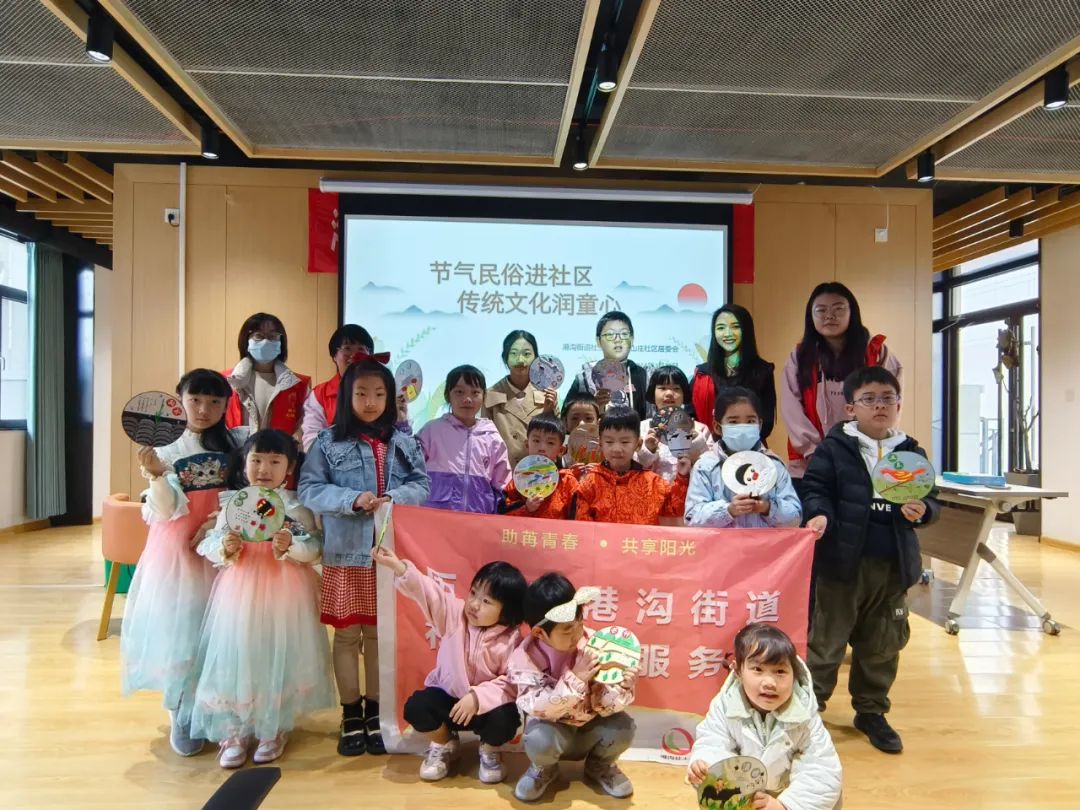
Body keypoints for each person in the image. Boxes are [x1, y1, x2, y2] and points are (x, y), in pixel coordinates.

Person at [801, 366, 939, 754]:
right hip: (840, 564)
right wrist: (819, 513)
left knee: (882, 645)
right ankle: (809, 711)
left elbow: (931, 499)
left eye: (887, 398)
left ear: (898, 405)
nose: (880, 405)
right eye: (869, 399)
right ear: (850, 408)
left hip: (892, 566)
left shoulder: (911, 452)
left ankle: (871, 711)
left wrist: (923, 511)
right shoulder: (834, 448)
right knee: (825, 643)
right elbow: (815, 489)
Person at [299, 357, 431, 757]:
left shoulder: (404, 442)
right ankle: (350, 713)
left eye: (378, 394)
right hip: (345, 553)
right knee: (346, 635)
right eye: (361, 394)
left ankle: (375, 711)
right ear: (347, 397)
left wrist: (394, 497)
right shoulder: (327, 442)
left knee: (377, 635)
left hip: (388, 555)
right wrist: (351, 499)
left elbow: (422, 485)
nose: (370, 402)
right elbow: (309, 489)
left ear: (390, 398)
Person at [121, 369, 248, 757]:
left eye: (214, 401)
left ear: (226, 405)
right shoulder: (164, 448)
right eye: (195, 399)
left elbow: (249, 494)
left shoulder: (237, 442)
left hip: (224, 545)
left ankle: (219, 709)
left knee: (223, 629)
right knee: (184, 628)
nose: (204, 409)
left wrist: (216, 522)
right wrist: (156, 476)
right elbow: (163, 510)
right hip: (178, 550)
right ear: (179, 399)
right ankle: (182, 710)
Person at [191, 430, 334, 768]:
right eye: (256, 460)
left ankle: (273, 727)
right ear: (244, 463)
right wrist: (224, 547)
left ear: (290, 467)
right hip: (239, 592)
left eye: (274, 461)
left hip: (285, 594)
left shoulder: (296, 507)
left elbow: (315, 550)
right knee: (239, 653)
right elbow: (208, 543)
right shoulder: (234, 504)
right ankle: (236, 730)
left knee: (277, 653)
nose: (264, 469)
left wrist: (292, 546)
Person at [373, 546, 526, 784]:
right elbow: (428, 592)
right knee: (417, 707)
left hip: (483, 709)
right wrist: (399, 567)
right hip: (448, 701)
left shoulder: (512, 639)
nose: (474, 604)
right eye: (473, 593)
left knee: (507, 720)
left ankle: (489, 750)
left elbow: (511, 682)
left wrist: (477, 697)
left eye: (486, 601)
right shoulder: (455, 615)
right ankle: (445, 742)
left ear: (506, 611)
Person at [686, 623, 842, 810]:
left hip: (790, 795)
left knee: (831, 798)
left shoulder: (804, 715)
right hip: (747, 794)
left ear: (795, 674)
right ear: (738, 671)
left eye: (780, 672)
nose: (769, 682)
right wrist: (705, 765)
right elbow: (712, 741)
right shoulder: (725, 705)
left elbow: (822, 769)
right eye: (758, 670)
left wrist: (785, 805)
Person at [509, 574, 637, 802]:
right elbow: (538, 708)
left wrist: (621, 688)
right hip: (553, 731)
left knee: (624, 727)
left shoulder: (596, 644)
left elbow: (606, 705)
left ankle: (599, 766)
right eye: (568, 630)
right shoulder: (525, 658)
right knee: (538, 739)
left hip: (590, 728)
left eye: (580, 622)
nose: (578, 633)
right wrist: (576, 678)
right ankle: (544, 769)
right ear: (539, 633)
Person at [781, 284, 901, 484]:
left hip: (864, 461)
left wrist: (872, 446)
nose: (830, 316)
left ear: (852, 312)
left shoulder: (876, 352)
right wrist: (813, 451)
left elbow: (892, 401)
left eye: (838, 308)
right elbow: (790, 406)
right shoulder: (801, 356)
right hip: (810, 463)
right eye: (821, 310)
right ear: (810, 316)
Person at [685, 387, 801, 529]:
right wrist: (728, 510)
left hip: (764, 543)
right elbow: (692, 518)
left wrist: (767, 507)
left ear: (760, 425)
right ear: (717, 427)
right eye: (733, 422)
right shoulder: (706, 466)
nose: (743, 428)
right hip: (723, 543)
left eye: (750, 421)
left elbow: (795, 517)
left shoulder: (774, 465)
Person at [417, 365, 512, 514]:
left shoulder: (492, 437)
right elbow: (412, 470)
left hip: (479, 519)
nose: (467, 399)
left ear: (484, 396)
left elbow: (502, 484)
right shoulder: (431, 431)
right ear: (448, 395)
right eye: (459, 392)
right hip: (435, 517)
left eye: (475, 393)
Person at [575, 406, 690, 525]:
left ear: (638, 444)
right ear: (600, 444)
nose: (617, 449)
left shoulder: (653, 482)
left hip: (642, 538)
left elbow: (674, 509)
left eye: (625, 442)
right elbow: (583, 526)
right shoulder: (591, 482)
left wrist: (682, 477)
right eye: (609, 442)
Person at [692, 304, 777, 441]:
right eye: (721, 328)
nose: (727, 334)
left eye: (735, 327)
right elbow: (692, 416)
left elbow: (767, 421)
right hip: (709, 445)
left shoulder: (762, 371)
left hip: (751, 447)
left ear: (746, 330)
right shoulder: (703, 373)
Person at [224, 312, 310, 439]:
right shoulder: (226, 381)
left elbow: (305, 428)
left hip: (281, 450)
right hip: (236, 450)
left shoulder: (299, 385)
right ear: (246, 342)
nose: (266, 341)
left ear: (281, 342)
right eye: (258, 336)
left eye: (273, 336)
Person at [483, 330, 558, 467]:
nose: (520, 360)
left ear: (536, 358)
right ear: (505, 357)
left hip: (540, 473)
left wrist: (548, 412)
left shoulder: (547, 394)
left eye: (527, 354)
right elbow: (484, 442)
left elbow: (557, 437)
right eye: (514, 354)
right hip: (502, 473)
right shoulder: (491, 396)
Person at [301, 324, 375, 451]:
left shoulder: (383, 391)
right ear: (334, 356)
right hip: (333, 461)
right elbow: (312, 439)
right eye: (347, 349)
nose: (354, 355)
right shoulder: (320, 394)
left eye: (361, 349)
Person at [636, 365, 714, 481]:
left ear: (684, 394)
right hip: (648, 491)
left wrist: (695, 441)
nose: (669, 393)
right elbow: (631, 467)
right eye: (662, 388)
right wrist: (648, 450)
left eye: (676, 388)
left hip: (689, 491)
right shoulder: (641, 428)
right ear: (653, 392)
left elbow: (711, 466)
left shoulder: (700, 429)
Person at [566, 311, 649, 420]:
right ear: (598, 341)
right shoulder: (585, 377)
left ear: (632, 339)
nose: (618, 340)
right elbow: (566, 418)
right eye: (610, 335)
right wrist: (593, 407)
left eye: (624, 334)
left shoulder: (643, 375)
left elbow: (652, 418)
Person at [501, 414, 579, 519]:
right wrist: (526, 508)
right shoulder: (518, 480)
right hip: (527, 530)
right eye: (536, 441)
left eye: (550, 443)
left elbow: (577, 517)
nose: (542, 448)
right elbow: (502, 514)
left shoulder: (567, 481)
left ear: (561, 450)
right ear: (527, 445)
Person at [560, 390, 602, 470]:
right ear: (565, 422)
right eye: (574, 418)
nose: (581, 423)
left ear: (598, 423)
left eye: (588, 418)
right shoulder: (557, 456)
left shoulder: (608, 457)